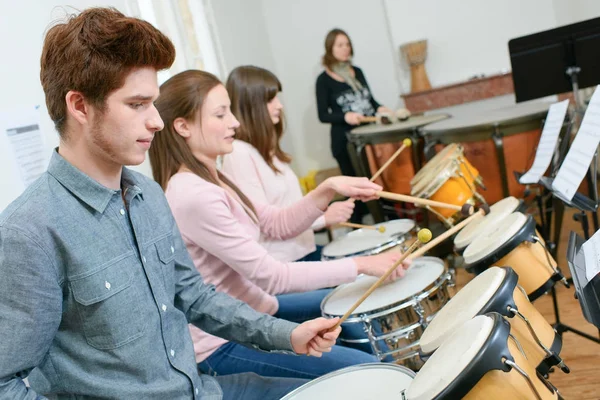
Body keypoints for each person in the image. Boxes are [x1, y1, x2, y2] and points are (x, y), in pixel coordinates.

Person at [0, 8, 343, 400]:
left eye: (155, 103)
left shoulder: (149, 195)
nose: (157, 122)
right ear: (80, 106)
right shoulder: (28, 233)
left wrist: (285, 333)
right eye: (137, 105)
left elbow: (194, 295)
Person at [149, 69, 410, 379]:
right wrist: (363, 264)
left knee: (356, 314)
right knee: (362, 369)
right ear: (183, 126)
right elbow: (272, 276)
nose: (234, 122)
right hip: (223, 342)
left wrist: (328, 189)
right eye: (221, 114)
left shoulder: (213, 177)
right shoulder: (191, 194)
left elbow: (274, 223)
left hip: (259, 310)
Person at [222, 65, 354, 262]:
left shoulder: (266, 149)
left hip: (303, 250)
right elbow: (266, 223)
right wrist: (322, 218)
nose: (279, 105)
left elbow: (288, 206)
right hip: (282, 262)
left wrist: (323, 211)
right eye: (270, 99)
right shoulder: (238, 153)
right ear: (251, 105)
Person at [316, 28, 393, 223]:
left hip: (369, 138)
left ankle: (388, 222)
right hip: (345, 142)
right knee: (354, 188)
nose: (345, 49)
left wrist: (380, 108)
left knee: (377, 182)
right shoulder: (323, 80)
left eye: (347, 44)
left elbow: (369, 101)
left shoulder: (357, 72)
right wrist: (345, 116)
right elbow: (323, 115)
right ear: (330, 49)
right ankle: (357, 228)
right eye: (340, 45)